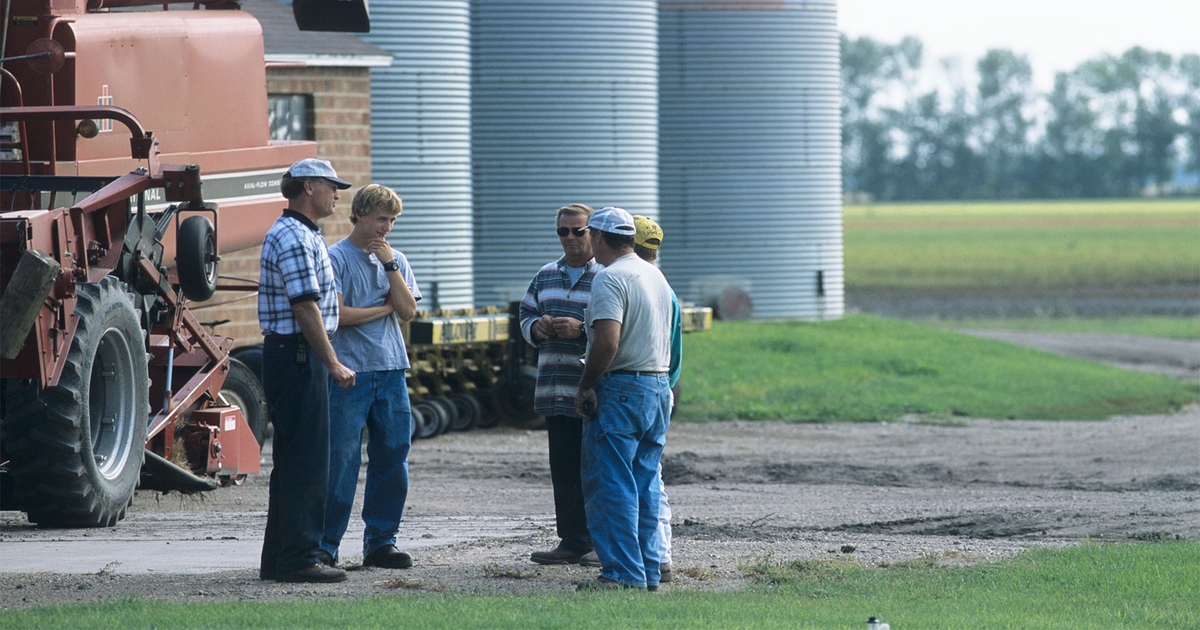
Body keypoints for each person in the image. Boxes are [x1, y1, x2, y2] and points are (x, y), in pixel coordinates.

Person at [258, 158, 356, 584]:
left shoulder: (302, 233)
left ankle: (282, 556)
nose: (337, 193)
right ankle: (300, 557)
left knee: (295, 457)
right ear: (309, 186)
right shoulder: (296, 236)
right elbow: (304, 305)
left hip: (291, 353)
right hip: (299, 355)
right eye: (332, 185)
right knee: (308, 460)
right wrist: (331, 360)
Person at [319, 184, 421, 570]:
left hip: (392, 368)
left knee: (393, 458)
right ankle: (326, 544)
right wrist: (383, 310)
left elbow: (407, 310)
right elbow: (339, 316)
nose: (387, 228)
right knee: (341, 460)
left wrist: (391, 265)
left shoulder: (395, 258)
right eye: (381, 219)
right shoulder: (336, 258)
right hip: (351, 372)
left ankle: (381, 542)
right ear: (360, 214)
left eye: (392, 221)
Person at [574, 206, 674, 591]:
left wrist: (586, 385)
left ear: (599, 237)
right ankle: (649, 569)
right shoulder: (654, 274)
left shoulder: (610, 278)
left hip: (621, 389)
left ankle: (621, 573)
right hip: (657, 387)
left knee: (611, 483)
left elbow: (607, 340)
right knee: (645, 481)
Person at [518, 203, 600, 565]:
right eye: (562, 232)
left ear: (593, 233)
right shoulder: (546, 274)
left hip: (592, 390)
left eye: (577, 231)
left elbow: (620, 325)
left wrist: (583, 330)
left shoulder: (607, 276)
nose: (569, 238)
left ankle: (602, 541)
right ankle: (572, 540)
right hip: (554, 387)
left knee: (596, 469)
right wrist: (535, 328)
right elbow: (525, 312)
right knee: (563, 468)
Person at [631, 214, 681, 585]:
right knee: (652, 476)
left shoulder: (637, 286)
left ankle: (646, 558)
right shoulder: (667, 289)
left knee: (636, 479)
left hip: (637, 387)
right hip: (664, 387)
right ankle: (660, 556)